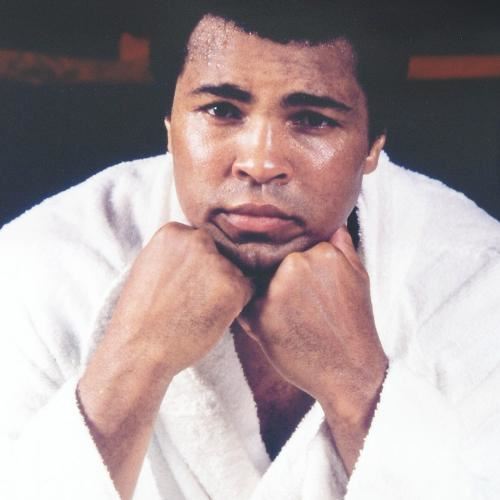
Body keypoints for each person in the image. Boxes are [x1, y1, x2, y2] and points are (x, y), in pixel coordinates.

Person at [1, 1, 499, 499]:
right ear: (171, 124)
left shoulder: (475, 281)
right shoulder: (37, 266)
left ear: (373, 144)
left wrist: (357, 387)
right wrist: (135, 363)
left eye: (312, 119)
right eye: (221, 111)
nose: (259, 163)